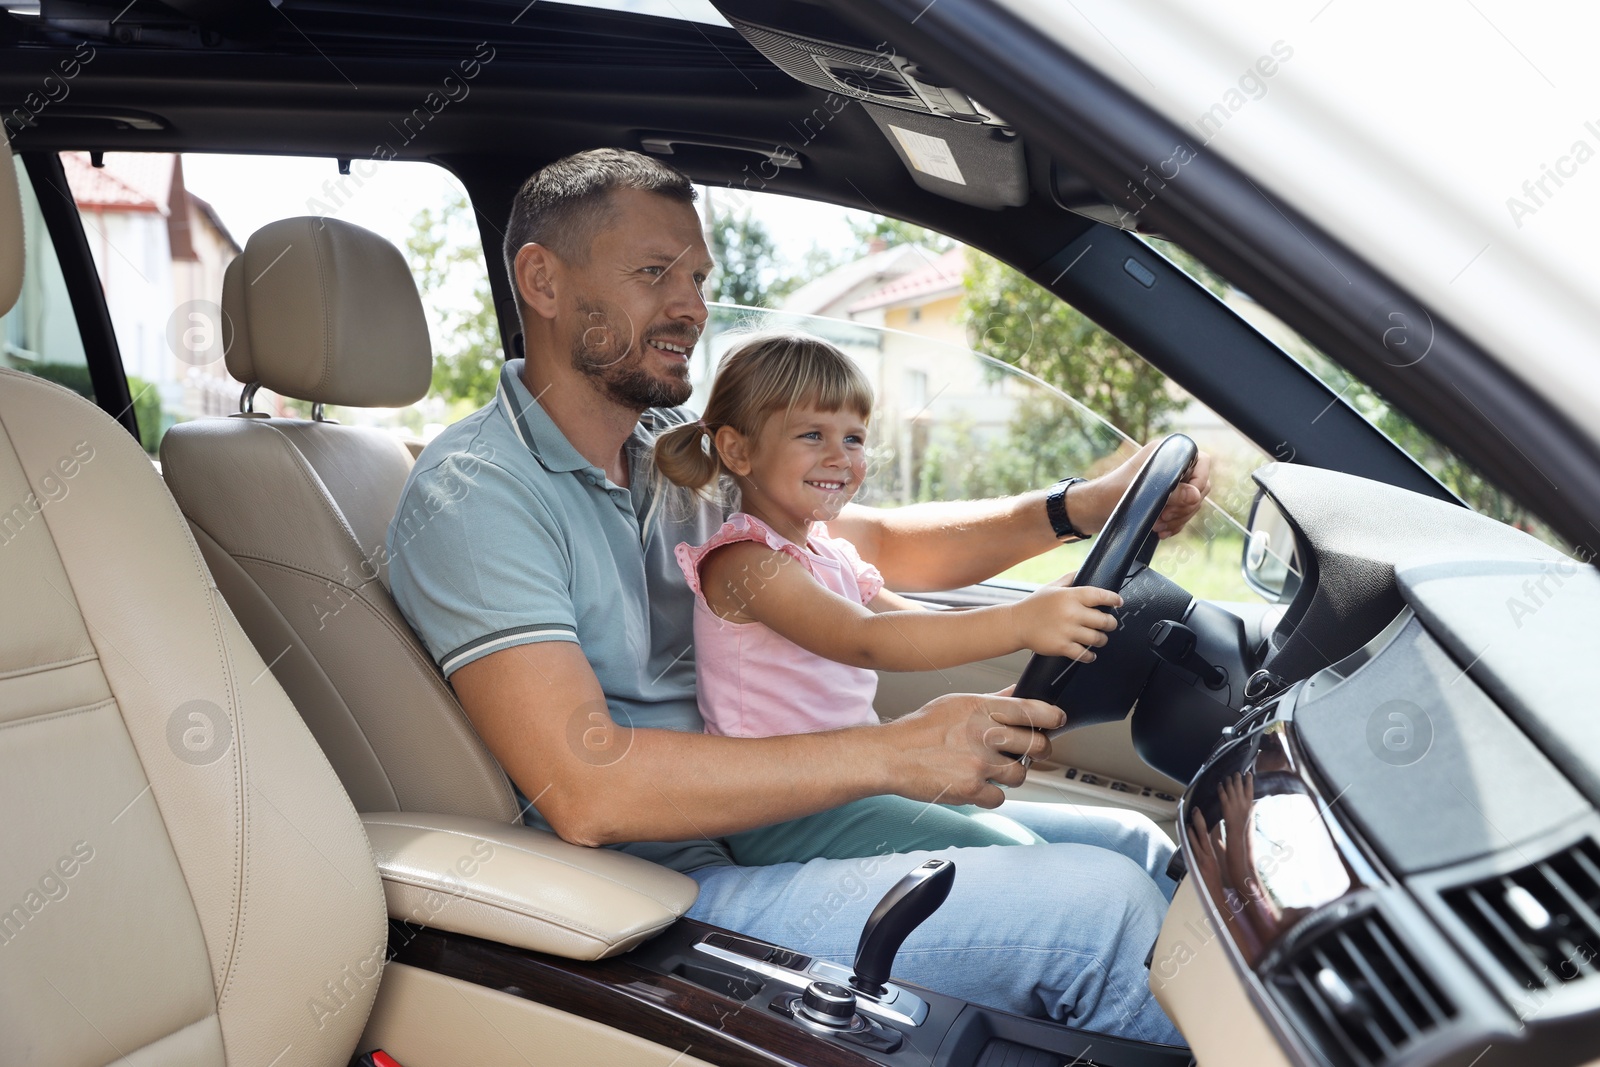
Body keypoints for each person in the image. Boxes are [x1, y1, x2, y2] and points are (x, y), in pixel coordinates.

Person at [387, 147, 1212, 1044]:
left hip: (767, 825)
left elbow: (867, 545)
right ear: (541, 280)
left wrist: (1070, 507)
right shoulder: (478, 489)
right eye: (654, 272)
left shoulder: (672, 450)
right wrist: (891, 752)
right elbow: (587, 787)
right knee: (1108, 912)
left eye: (698, 275)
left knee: (1138, 844)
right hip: (649, 898)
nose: (691, 306)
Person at [654, 330, 1127, 863]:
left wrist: (1039, 630)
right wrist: (1020, 621)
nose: (841, 458)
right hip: (781, 810)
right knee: (1028, 858)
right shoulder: (743, 562)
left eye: (853, 439)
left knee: (1114, 842)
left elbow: (919, 629)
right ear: (739, 450)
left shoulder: (829, 553)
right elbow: (865, 640)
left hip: (854, 783)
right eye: (812, 435)